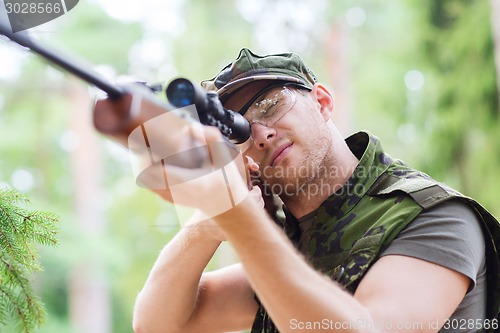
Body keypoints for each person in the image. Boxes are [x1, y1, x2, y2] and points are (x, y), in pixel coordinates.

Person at [132, 48, 500, 333]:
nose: (260, 133)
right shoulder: (290, 245)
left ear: (322, 102)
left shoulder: (432, 215)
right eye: (238, 131)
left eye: (271, 105)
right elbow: (160, 323)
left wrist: (238, 219)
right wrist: (208, 223)